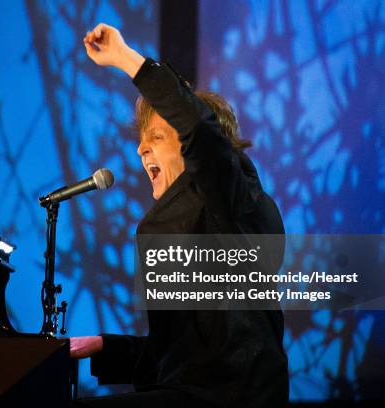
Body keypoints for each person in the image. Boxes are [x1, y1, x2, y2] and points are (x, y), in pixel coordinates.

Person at [69, 23, 289, 407]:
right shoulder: (177, 226)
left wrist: (126, 58)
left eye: (156, 138)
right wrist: (104, 346)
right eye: (141, 142)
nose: (141, 150)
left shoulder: (234, 198)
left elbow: (200, 130)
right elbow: (180, 358)